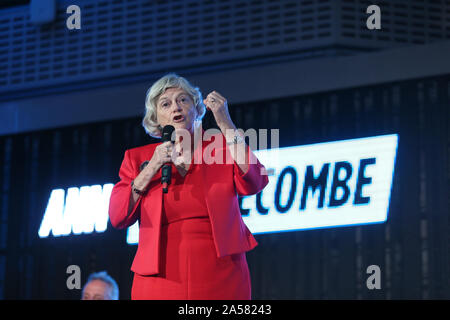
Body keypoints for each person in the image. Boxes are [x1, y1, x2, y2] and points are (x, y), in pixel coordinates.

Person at [108, 73, 268, 300]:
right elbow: (118, 217)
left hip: (222, 274)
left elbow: (256, 181)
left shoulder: (221, 148)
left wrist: (225, 123)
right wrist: (152, 166)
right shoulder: (138, 159)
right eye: (166, 103)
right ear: (156, 119)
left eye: (183, 99)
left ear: (196, 108)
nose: (176, 107)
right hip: (158, 278)